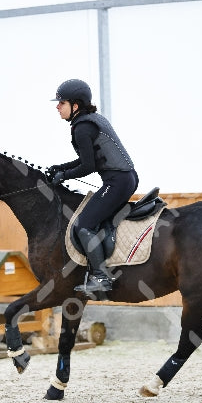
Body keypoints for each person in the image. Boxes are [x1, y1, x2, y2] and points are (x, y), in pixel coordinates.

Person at [48, 79, 139, 295]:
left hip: (117, 182)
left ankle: (101, 278)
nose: (57, 106)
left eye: (61, 102)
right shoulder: (90, 121)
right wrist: (59, 168)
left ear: (75, 106)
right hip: (127, 178)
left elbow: (88, 166)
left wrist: (64, 176)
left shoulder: (82, 128)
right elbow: (87, 160)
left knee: (83, 226)